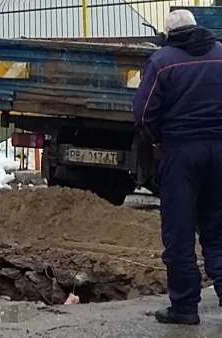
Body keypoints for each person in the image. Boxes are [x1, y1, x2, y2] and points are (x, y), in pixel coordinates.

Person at [132, 9, 222, 325]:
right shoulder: (221, 54)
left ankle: (184, 307)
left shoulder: (162, 60)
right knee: (218, 229)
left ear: (168, 33)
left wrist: (157, 140)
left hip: (181, 153)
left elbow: (143, 113)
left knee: (180, 232)